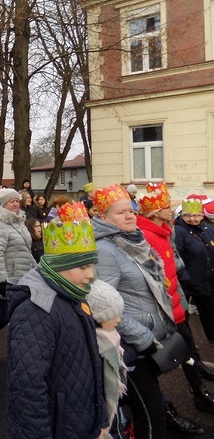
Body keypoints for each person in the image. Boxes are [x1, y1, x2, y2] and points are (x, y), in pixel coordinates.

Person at [7, 201, 108, 438]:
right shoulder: (36, 311)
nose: (91, 275)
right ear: (58, 267)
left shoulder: (74, 296)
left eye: (92, 266)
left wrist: (100, 419)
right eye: (83, 267)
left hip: (79, 422)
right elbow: (26, 388)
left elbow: (91, 366)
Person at [93, 184, 176, 438]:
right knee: (151, 418)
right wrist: (144, 337)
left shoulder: (133, 240)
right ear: (104, 218)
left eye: (131, 210)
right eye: (121, 213)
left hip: (148, 342)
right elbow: (105, 307)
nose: (130, 216)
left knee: (146, 410)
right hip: (132, 348)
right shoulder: (106, 250)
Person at [138, 184, 214, 416]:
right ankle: (176, 402)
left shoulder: (165, 230)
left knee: (188, 347)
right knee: (170, 353)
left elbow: (174, 262)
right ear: (153, 212)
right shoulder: (147, 236)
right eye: (165, 206)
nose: (171, 209)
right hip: (164, 305)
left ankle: (199, 391)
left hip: (175, 299)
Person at [0, 188, 36, 348]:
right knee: (5, 316)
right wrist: (3, 280)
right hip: (9, 277)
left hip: (23, 275)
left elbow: (27, 250)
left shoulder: (20, 222)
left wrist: (37, 270)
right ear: (4, 204)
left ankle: (19, 344)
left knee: (18, 314)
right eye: (12, 201)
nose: (15, 204)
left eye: (17, 201)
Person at [86, 279, 128, 437]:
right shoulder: (97, 348)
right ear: (98, 318)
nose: (118, 319)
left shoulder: (111, 338)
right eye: (113, 316)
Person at [175, 197, 214, 344]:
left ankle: (211, 338)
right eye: (187, 215)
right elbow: (176, 256)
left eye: (196, 215)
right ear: (182, 216)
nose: (192, 219)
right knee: (185, 315)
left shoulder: (207, 229)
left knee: (209, 311)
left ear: (202, 216)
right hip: (187, 281)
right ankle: (188, 344)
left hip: (206, 278)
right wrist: (186, 277)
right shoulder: (179, 231)